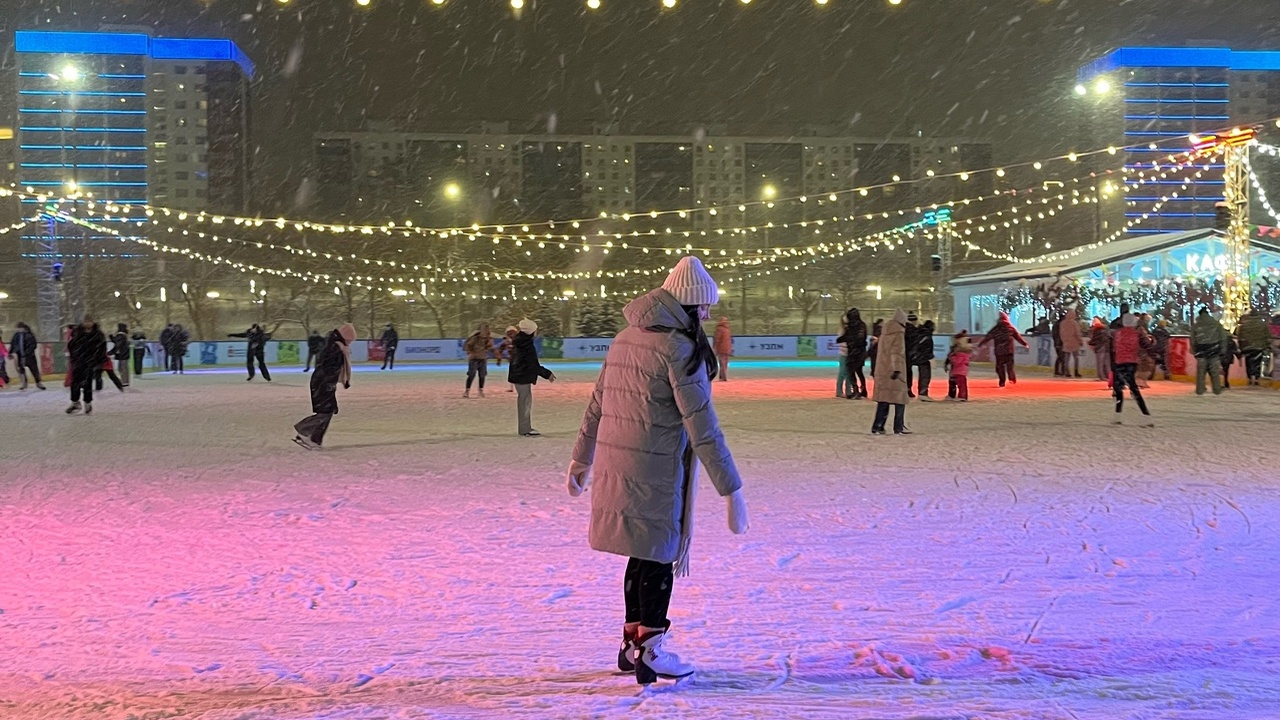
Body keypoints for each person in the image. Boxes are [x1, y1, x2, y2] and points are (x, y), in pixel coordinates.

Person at [567, 255, 747, 685]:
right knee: (659, 557)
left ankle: (632, 642)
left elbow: (597, 403)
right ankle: (652, 648)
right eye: (702, 307)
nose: (706, 314)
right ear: (687, 305)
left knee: (640, 553)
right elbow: (702, 426)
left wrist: (583, 457)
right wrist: (732, 489)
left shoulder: (627, 336)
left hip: (620, 467)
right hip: (658, 470)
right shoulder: (678, 348)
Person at [294, 323, 356, 450]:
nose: (350, 343)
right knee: (326, 411)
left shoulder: (334, 344)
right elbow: (329, 367)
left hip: (323, 381)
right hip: (323, 382)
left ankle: (314, 440)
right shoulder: (335, 347)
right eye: (349, 340)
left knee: (328, 410)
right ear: (345, 337)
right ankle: (304, 431)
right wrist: (330, 383)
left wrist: (340, 381)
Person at [508, 318, 556, 436]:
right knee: (525, 402)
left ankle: (525, 428)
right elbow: (533, 365)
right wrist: (547, 374)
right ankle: (525, 429)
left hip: (519, 375)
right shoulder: (526, 345)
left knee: (524, 401)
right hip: (522, 376)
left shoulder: (521, 342)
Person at [1111, 313, 1154, 426]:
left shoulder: (1117, 334)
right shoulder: (1137, 334)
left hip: (1119, 363)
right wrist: (1152, 339)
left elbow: (1113, 349)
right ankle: (1146, 416)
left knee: (1118, 391)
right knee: (1134, 390)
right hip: (1131, 363)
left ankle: (1117, 416)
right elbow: (1148, 345)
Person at [871, 309, 910, 434]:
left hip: (883, 370)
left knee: (884, 399)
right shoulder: (898, 334)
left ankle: (878, 426)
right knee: (900, 399)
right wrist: (897, 369)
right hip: (893, 372)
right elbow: (896, 353)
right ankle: (898, 426)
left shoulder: (884, 333)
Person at [66, 317, 107, 415]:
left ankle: (87, 403)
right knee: (75, 382)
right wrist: (73, 357)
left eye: (90, 321)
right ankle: (75, 402)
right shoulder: (77, 333)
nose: (87, 323)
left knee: (87, 383)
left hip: (90, 362)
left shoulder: (98, 335)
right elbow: (71, 345)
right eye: (86, 321)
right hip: (78, 361)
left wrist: (98, 361)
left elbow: (102, 349)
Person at [978, 312, 1030, 388]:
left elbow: (988, 336)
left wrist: (981, 343)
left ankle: (1002, 382)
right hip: (1009, 350)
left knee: (1000, 367)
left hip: (999, 351)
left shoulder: (996, 329)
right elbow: (1018, 337)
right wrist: (1025, 344)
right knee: (1010, 366)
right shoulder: (1010, 327)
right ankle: (1012, 377)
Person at [1190, 307, 1228, 396]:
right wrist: (1222, 349)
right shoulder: (1216, 324)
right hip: (1214, 349)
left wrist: (1194, 350)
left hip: (1201, 350)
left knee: (1201, 372)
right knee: (1214, 372)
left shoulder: (1196, 325)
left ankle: (1200, 390)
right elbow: (1223, 337)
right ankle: (1217, 389)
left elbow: (1193, 339)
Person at [836, 308, 868, 399]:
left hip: (853, 352)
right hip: (861, 351)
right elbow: (861, 338)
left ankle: (856, 390)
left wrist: (842, 339)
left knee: (851, 371)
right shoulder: (862, 325)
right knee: (859, 371)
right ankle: (863, 389)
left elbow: (847, 337)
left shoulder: (851, 327)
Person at [1237, 310, 1270, 386]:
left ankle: (1249, 378)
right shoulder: (1262, 324)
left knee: (1248, 362)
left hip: (1247, 347)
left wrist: (1241, 346)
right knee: (1257, 363)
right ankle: (1256, 378)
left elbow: (1240, 335)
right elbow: (1267, 336)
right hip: (1259, 346)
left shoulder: (1244, 324)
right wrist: (1267, 345)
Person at [9, 322, 46, 390]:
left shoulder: (29, 335)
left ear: (23, 328)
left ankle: (38, 383)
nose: (19, 329)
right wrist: (11, 352)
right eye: (18, 328)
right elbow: (13, 344)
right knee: (21, 369)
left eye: (20, 328)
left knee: (34, 370)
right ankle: (24, 383)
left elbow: (33, 345)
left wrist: (27, 352)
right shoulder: (16, 335)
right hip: (20, 356)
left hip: (29, 356)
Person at [908, 319, 935, 400]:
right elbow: (927, 348)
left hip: (912, 355)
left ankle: (909, 389)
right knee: (925, 373)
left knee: (909, 372)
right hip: (921, 357)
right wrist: (930, 357)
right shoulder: (927, 335)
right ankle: (923, 392)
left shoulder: (918, 332)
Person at [463, 323, 492, 398]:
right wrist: (471, 352)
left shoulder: (488, 338)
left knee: (482, 375)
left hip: (482, 358)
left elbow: (489, 347)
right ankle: (467, 390)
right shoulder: (475, 338)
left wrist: (489, 344)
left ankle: (480, 390)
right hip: (474, 359)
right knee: (471, 374)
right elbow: (468, 345)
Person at [945, 330, 973, 402]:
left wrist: (951, 357)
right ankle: (952, 395)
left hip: (960, 370)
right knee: (953, 382)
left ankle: (962, 396)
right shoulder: (958, 350)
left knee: (961, 384)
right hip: (956, 370)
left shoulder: (962, 352)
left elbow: (957, 361)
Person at [1059, 307, 1084, 378]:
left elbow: (1061, 333)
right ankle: (1076, 372)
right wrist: (1080, 341)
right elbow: (1077, 333)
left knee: (1066, 358)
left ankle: (1066, 372)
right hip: (1074, 342)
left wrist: (1064, 340)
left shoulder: (1062, 323)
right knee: (1076, 358)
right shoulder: (1074, 323)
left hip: (1066, 342)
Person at [496, 325, 518, 392]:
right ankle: (513, 387)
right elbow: (500, 350)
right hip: (512, 358)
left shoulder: (518, 340)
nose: (511, 334)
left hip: (518, 358)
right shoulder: (506, 341)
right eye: (509, 333)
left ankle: (519, 386)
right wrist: (499, 358)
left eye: (512, 333)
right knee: (513, 372)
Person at [1089, 316, 1111, 382]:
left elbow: (1094, 340)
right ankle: (1109, 376)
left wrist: (1090, 343)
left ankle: (1101, 376)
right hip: (1107, 347)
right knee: (1107, 363)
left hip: (1100, 347)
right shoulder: (1106, 329)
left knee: (1100, 363)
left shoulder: (1096, 331)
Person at [111, 323, 131, 388]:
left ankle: (124, 382)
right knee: (123, 368)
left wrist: (111, 352)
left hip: (122, 354)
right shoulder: (124, 335)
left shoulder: (120, 335)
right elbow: (118, 342)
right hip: (124, 353)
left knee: (122, 368)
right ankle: (125, 381)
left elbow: (118, 344)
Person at [712, 317, 732, 382]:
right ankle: (722, 376)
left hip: (721, 348)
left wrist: (715, 347)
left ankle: (723, 377)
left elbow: (717, 339)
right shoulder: (728, 329)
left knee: (722, 363)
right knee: (725, 363)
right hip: (727, 348)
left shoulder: (719, 329)